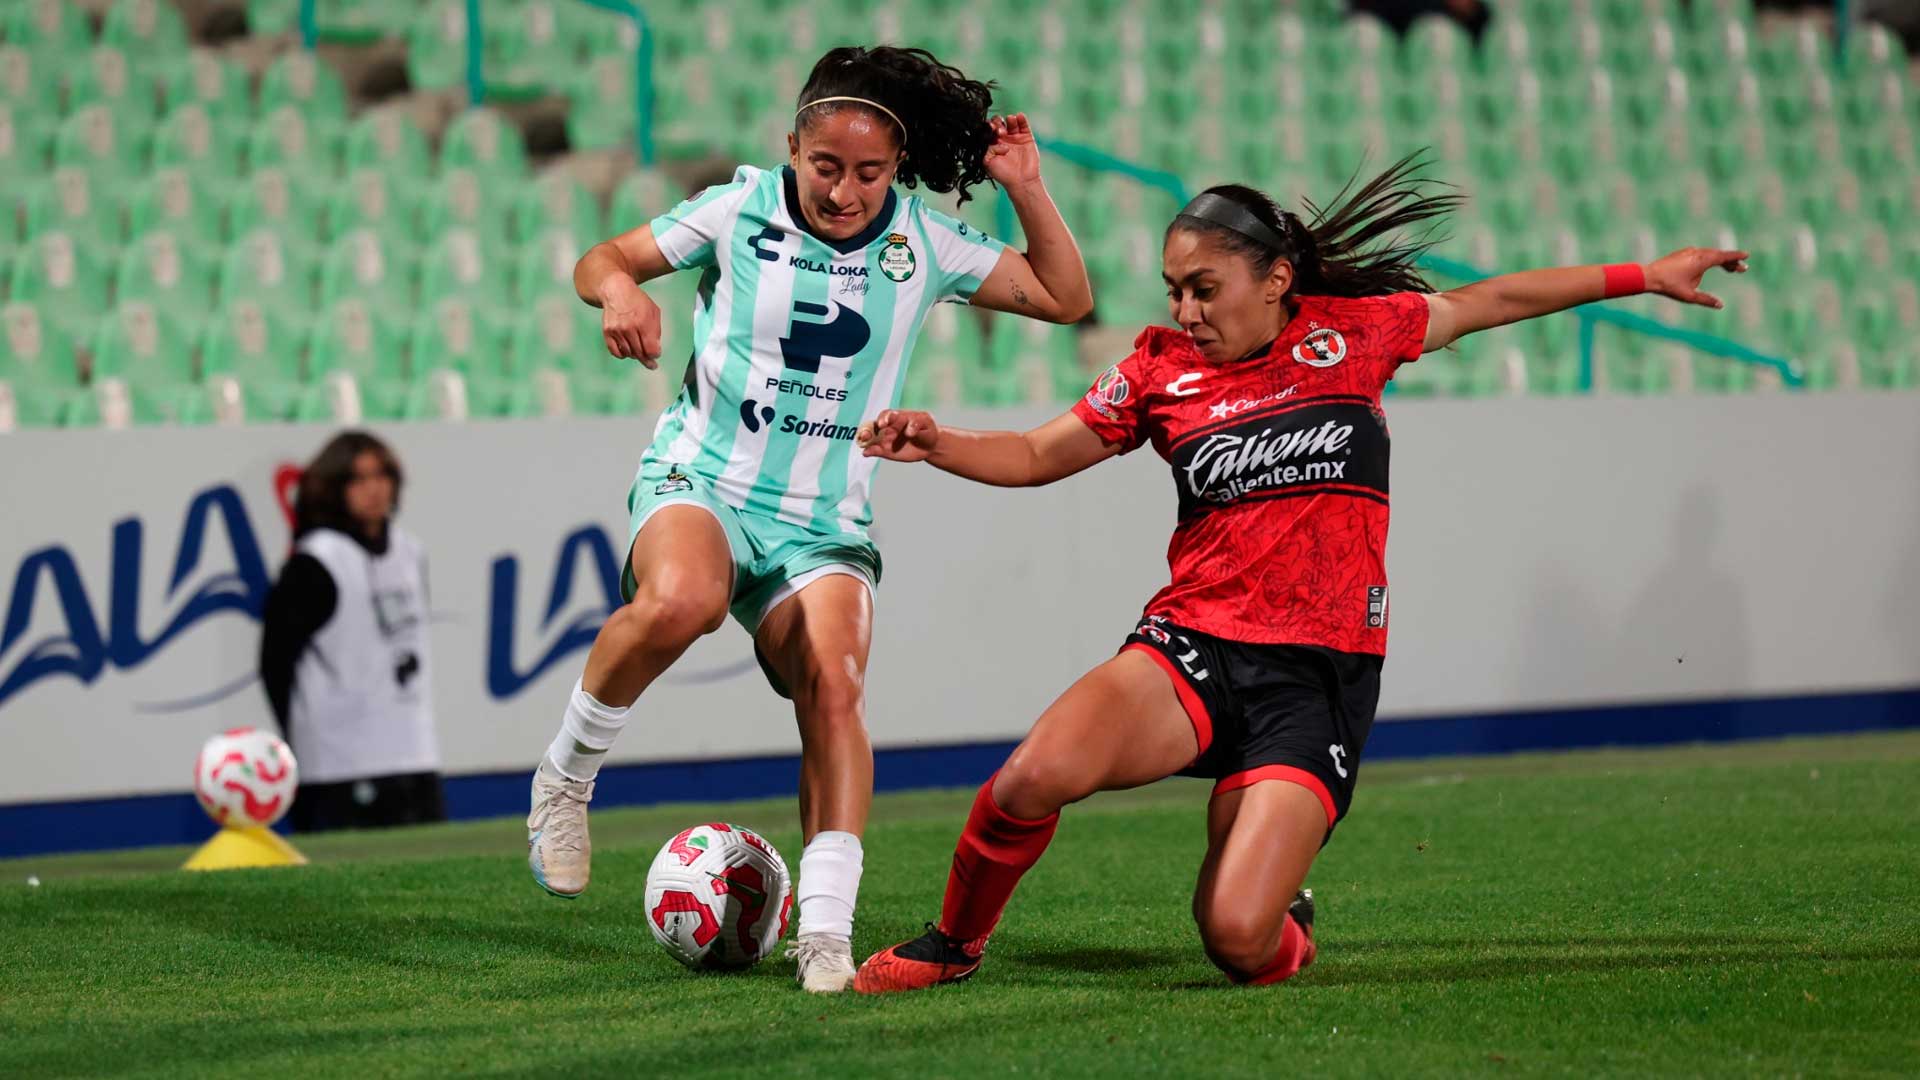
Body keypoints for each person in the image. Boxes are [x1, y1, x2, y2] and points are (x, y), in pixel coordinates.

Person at [849, 155, 1748, 992]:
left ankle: (1291, 918)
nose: (1188, 311)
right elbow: (1042, 452)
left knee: (1238, 938)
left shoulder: (1354, 334)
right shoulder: (1159, 368)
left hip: (1316, 676)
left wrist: (1645, 275)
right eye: (1175, 291)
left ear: (1276, 278)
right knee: (1030, 777)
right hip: (1191, 644)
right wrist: (939, 443)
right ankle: (955, 945)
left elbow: (1494, 299)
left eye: (1206, 290)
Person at [526, 45, 1093, 993]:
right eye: (825, 167)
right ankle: (565, 781)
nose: (844, 191)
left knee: (835, 681)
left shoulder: (922, 243)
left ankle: (824, 930)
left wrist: (1026, 188)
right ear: (792, 147)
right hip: (702, 480)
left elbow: (1068, 297)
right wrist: (620, 291)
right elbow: (604, 258)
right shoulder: (737, 205)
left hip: (822, 520)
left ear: (896, 169)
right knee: (685, 601)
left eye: (869, 173)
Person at [260, 430, 445, 833]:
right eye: (358, 479)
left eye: (382, 476)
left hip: (412, 753)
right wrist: (301, 738)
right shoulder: (315, 561)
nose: (374, 489)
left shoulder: (409, 551)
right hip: (337, 764)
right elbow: (275, 662)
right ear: (333, 489)